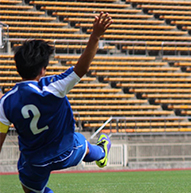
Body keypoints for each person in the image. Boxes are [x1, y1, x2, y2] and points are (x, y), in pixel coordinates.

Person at [0, 12, 113, 193]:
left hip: (34, 162)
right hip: (65, 151)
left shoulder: (5, 102)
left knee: (30, 189)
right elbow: (81, 69)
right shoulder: (53, 86)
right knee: (83, 147)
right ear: (43, 69)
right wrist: (96, 35)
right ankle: (102, 152)